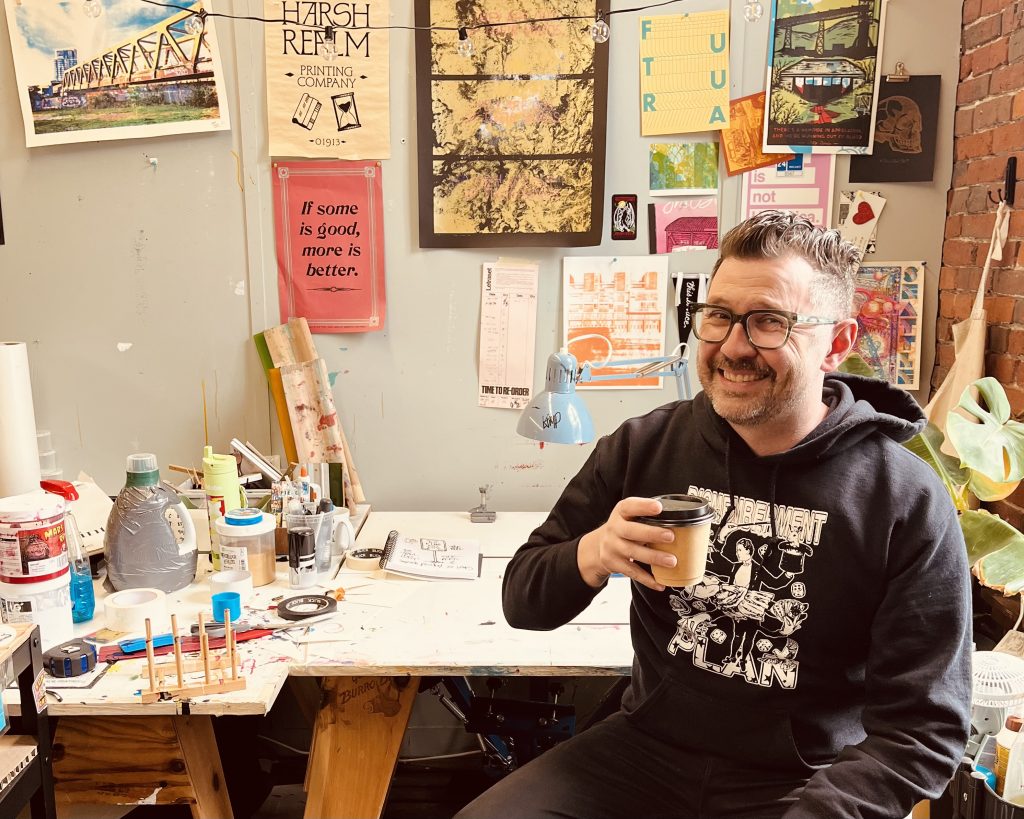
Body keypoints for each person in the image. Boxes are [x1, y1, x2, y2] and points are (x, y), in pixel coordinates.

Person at [457, 211, 971, 819]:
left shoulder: (903, 497)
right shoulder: (644, 447)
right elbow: (523, 601)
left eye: (769, 323)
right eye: (719, 315)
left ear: (837, 344)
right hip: (643, 750)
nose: (732, 346)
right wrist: (592, 553)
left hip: (804, 780)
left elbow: (923, 730)